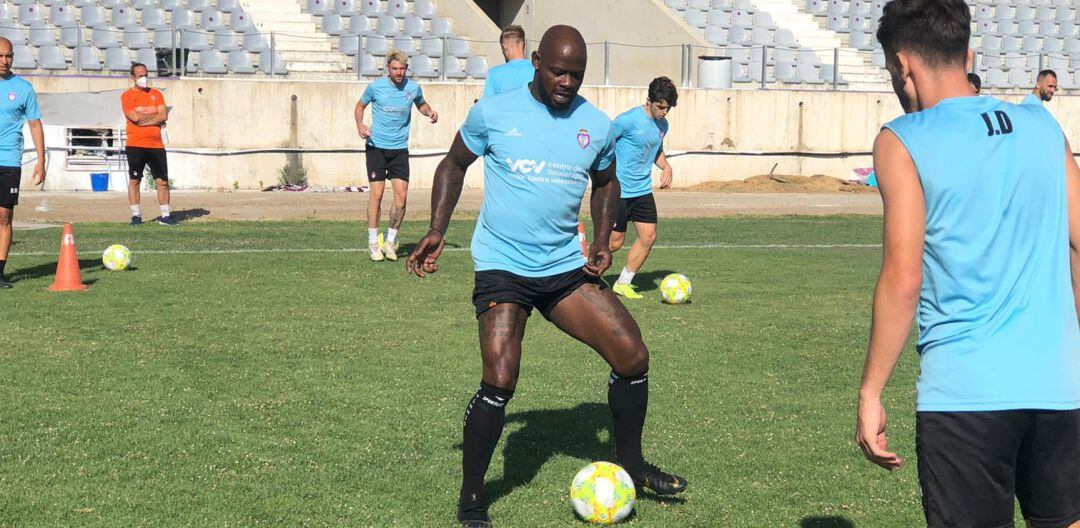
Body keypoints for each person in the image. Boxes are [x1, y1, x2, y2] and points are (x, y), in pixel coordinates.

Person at [406, 25, 687, 528]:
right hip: (502, 266)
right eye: (558, 71)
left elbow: (606, 182)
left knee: (632, 355)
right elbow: (453, 165)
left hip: (563, 269)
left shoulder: (595, 124)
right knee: (500, 377)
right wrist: (436, 230)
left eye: (576, 75)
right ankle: (473, 497)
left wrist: (602, 242)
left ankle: (632, 463)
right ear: (536, 61)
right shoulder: (496, 111)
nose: (566, 82)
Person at [855, 1, 1080, 527]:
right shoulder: (1042, 126)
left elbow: (903, 276)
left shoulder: (901, 141)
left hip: (966, 395)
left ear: (902, 66)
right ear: (968, 52)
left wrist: (871, 391)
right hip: (1060, 384)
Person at [355, 49, 438, 262]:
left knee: (401, 198)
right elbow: (360, 105)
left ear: (406, 69)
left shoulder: (413, 88)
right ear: (388, 69)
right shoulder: (375, 88)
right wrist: (360, 124)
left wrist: (429, 112)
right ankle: (374, 243)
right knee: (378, 194)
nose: (399, 72)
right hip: (376, 148)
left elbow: (421, 103)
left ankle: (390, 242)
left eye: (402, 69)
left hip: (399, 149)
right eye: (395, 69)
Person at [608, 76, 676, 299]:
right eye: (661, 107)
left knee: (648, 236)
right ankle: (578, 271)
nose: (664, 112)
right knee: (614, 243)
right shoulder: (627, 120)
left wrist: (666, 167)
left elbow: (655, 150)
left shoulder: (662, 125)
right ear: (649, 100)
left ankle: (623, 282)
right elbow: (605, 141)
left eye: (668, 108)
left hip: (642, 190)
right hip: (618, 190)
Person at [0, 37, 44, 289]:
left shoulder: (24, 88)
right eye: (0, 56)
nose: (5, 61)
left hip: (8, 161)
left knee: (4, 216)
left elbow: (35, 124)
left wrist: (41, 159)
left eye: (9, 56)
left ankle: (0, 273)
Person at [121, 63, 176, 226]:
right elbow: (134, 118)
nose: (143, 78)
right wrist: (153, 118)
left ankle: (165, 216)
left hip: (156, 145)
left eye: (145, 74)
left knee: (162, 181)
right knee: (135, 180)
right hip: (135, 144)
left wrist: (145, 120)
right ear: (133, 78)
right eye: (140, 75)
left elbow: (163, 115)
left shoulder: (156, 94)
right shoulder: (127, 96)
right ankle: (136, 215)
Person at [481, 25, 533, 98]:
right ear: (524, 45)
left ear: (504, 48)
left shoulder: (493, 74)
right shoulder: (537, 70)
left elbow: (487, 106)